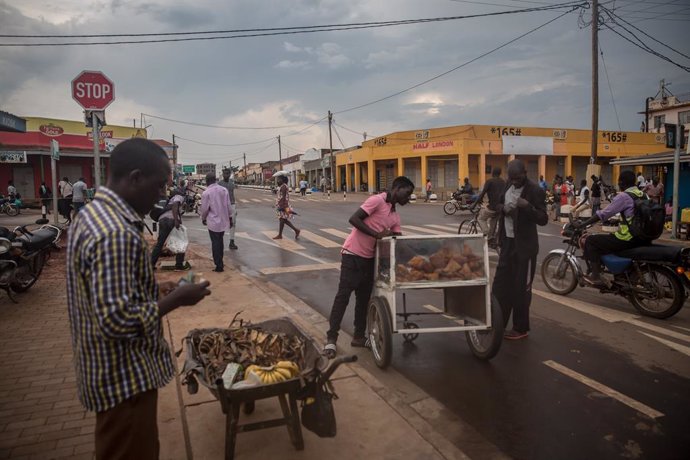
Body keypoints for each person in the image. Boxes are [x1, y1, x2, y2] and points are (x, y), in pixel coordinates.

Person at [66, 138, 211, 458]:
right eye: (159, 186)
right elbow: (117, 320)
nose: (161, 195)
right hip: (125, 381)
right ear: (134, 178)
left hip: (108, 374)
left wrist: (159, 290)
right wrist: (178, 300)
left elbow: (107, 293)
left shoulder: (92, 215)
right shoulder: (116, 233)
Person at [324, 176, 415, 357]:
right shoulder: (377, 201)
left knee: (363, 300)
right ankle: (331, 340)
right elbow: (354, 219)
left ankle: (358, 337)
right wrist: (376, 235)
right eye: (407, 193)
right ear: (397, 188)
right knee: (343, 297)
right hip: (352, 255)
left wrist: (415, 254)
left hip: (370, 259)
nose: (409, 197)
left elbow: (397, 239)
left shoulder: (395, 215)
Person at [492, 160, 548, 340]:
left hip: (525, 248)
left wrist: (527, 207)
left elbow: (543, 218)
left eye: (518, 178)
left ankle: (520, 328)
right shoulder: (508, 185)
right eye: (512, 178)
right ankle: (497, 323)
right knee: (500, 285)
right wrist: (503, 209)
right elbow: (498, 204)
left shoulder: (535, 190)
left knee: (521, 290)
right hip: (507, 243)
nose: (515, 181)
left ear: (525, 172)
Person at [575, 170, 652, 287]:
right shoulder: (643, 194)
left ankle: (596, 277)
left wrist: (583, 224)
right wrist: (618, 220)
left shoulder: (624, 196)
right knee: (607, 239)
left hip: (627, 238)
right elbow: (636, 216)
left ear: (621, 182)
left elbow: (603, 214)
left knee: (591, 241)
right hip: (642, 236)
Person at [200, 173, 232, 273]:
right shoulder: (224, 190)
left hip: (213, 221)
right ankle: (220, 262)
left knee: (215, 242)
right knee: (220, 241)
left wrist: (203, 218)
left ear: (207, 180)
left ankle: (219, 265)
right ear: (215, 180)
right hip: (223, 221)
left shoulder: (206, 193)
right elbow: (228, 205)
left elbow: (204, 209)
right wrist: (230, 218)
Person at [150, 187, 187, 271]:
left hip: (162, 220)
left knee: (160, 243)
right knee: (180, 242)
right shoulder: (178, 197)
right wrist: (177, 220)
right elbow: (175, 206)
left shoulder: (170, 200)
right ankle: (179, 265)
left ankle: (151, 264)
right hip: (171, 220)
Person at [471, 167, 505, 248]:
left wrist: (474, 204)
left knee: (481, 218)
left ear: (492, 173)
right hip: (500, 208)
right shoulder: (503, 182)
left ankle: (486, 233)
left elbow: (482, 193)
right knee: (493, 220)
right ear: (500, 173)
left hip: (492, 207)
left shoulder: (490, 181)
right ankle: (491, 238)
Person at [273, 175, 300, 240]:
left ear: (283, 180)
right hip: (283, 205)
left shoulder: (284, 187)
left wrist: (282, 206)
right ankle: (295, 230)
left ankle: (281, 235)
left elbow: (284, 197)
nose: (278, 180)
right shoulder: (283, 186)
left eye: (279, 179)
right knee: (282, 220)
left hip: (284, 205)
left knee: (282, 219)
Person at [218, 169, 239, 250]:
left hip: (232, 205)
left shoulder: (232, 184)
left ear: (230, 174)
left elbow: (232, 195)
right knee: (221, 224)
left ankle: (232, 241)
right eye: (224, 173)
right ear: (223, 174)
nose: (226, 175)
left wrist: (234, 208)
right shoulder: (219, 184)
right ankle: (220, 242)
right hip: (222, 206)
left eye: (227, 173)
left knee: (233, 224)